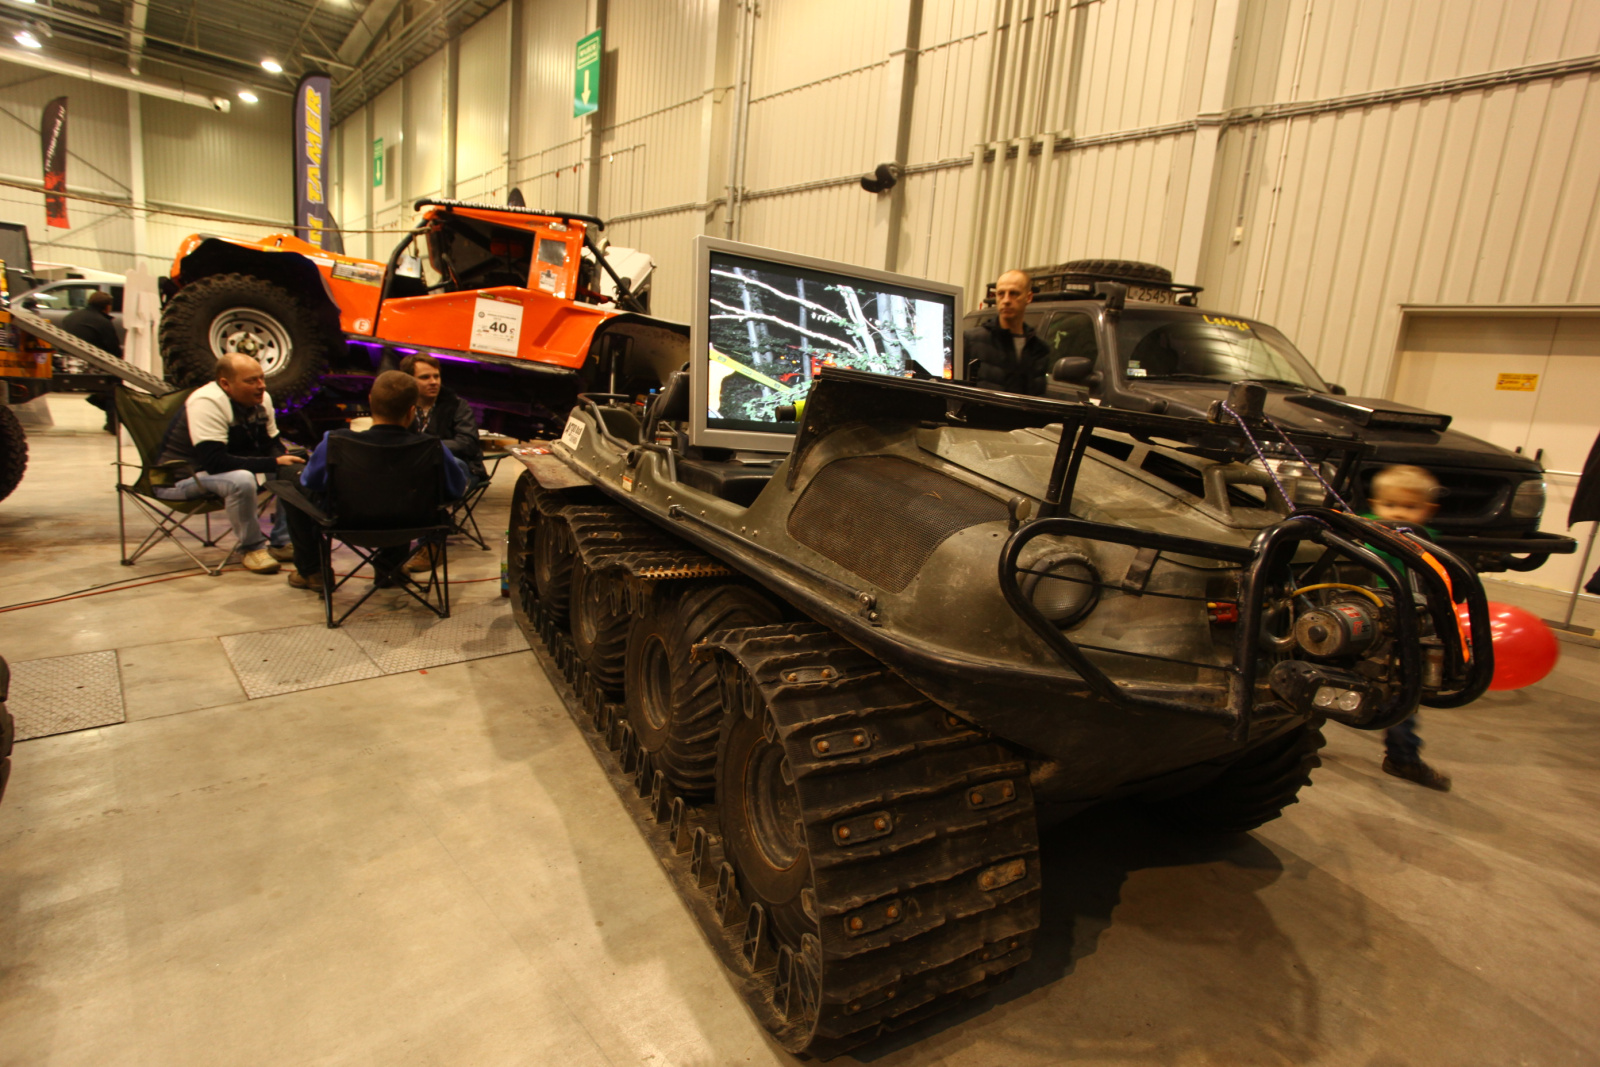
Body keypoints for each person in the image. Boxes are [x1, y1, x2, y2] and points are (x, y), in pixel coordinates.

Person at [283, 370, 469, 591]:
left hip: (345, 524)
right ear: (412, 411)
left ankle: (313, 571)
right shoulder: (433, 447)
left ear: (370, 401)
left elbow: (311, 482)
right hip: (413, 525)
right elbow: (455, 490)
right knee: (397, 497)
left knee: (289, 479)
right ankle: (390, 568)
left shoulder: (334, 442)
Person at [154, 353, 304, 574]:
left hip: (225, 470)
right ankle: (251, 549)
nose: (261, 386)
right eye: (251, 381)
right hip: (181, 478)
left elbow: (271, 444)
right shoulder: (207, 402)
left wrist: (283, 463)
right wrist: (274, 462)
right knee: (241, 480)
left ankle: (283, 542)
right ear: (225, 384)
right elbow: (216, 463)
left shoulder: (262, 399)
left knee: (294, 471)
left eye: (261, 378)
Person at [1365, 464, 1451, 792]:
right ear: (1374, 504)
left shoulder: (1427, 544)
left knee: (1403, 692)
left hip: (1403, 630)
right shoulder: (1364, 533)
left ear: (1429, 510)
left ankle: (1402, 757)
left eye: (1410, 507)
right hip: (1363, 622)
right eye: (1389, 505)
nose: (1398, 513)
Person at [398, 353, 485, 573]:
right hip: (415, 471)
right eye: (425, 377)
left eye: (436, 376)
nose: (434, 382)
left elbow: (468, 443)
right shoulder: (403, 406)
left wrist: (427, 447)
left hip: (462, 469)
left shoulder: (456, 404)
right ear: (409, 381)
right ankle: (393, 548)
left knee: (442, 469)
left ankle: (432, 546)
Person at [963, 269, 1053, 396]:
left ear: (1028, 297)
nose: (1006, 300)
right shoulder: (972, 341)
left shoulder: (1039, 350)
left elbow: (1037, 399)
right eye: (1001, 293)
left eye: (1014, 293)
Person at [61, 291, 121, 432]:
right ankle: (112, 423)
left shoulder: (70, 317)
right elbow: (113, 349)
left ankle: (97, 398)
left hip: (67, 363)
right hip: (89, 366)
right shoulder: (103, 322)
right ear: (107, 307)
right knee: (116, 383)